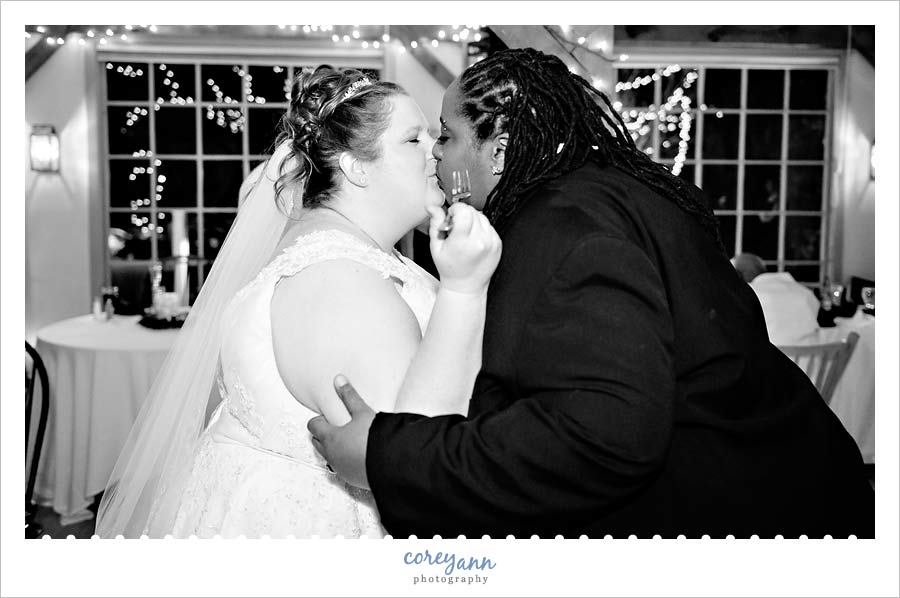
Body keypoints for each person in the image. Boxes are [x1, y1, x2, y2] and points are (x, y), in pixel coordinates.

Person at [309, 48, 874, 539]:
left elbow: (604, 437)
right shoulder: (601, 194)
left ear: (500, 150)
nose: (437, 154)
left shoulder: (567, 229)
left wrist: (387, 453)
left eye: (449, 135)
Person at [96, 66, 501, 538]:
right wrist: (462, 290)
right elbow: (420, 459)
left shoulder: (351, 254)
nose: (435, 153)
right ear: (355, 166)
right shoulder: (339, 282)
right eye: (413, 140)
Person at [732, 253, 820, 345]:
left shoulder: (748, 294)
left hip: (766, 358)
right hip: (809, 357)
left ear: (740, 275)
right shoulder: (804, 293)